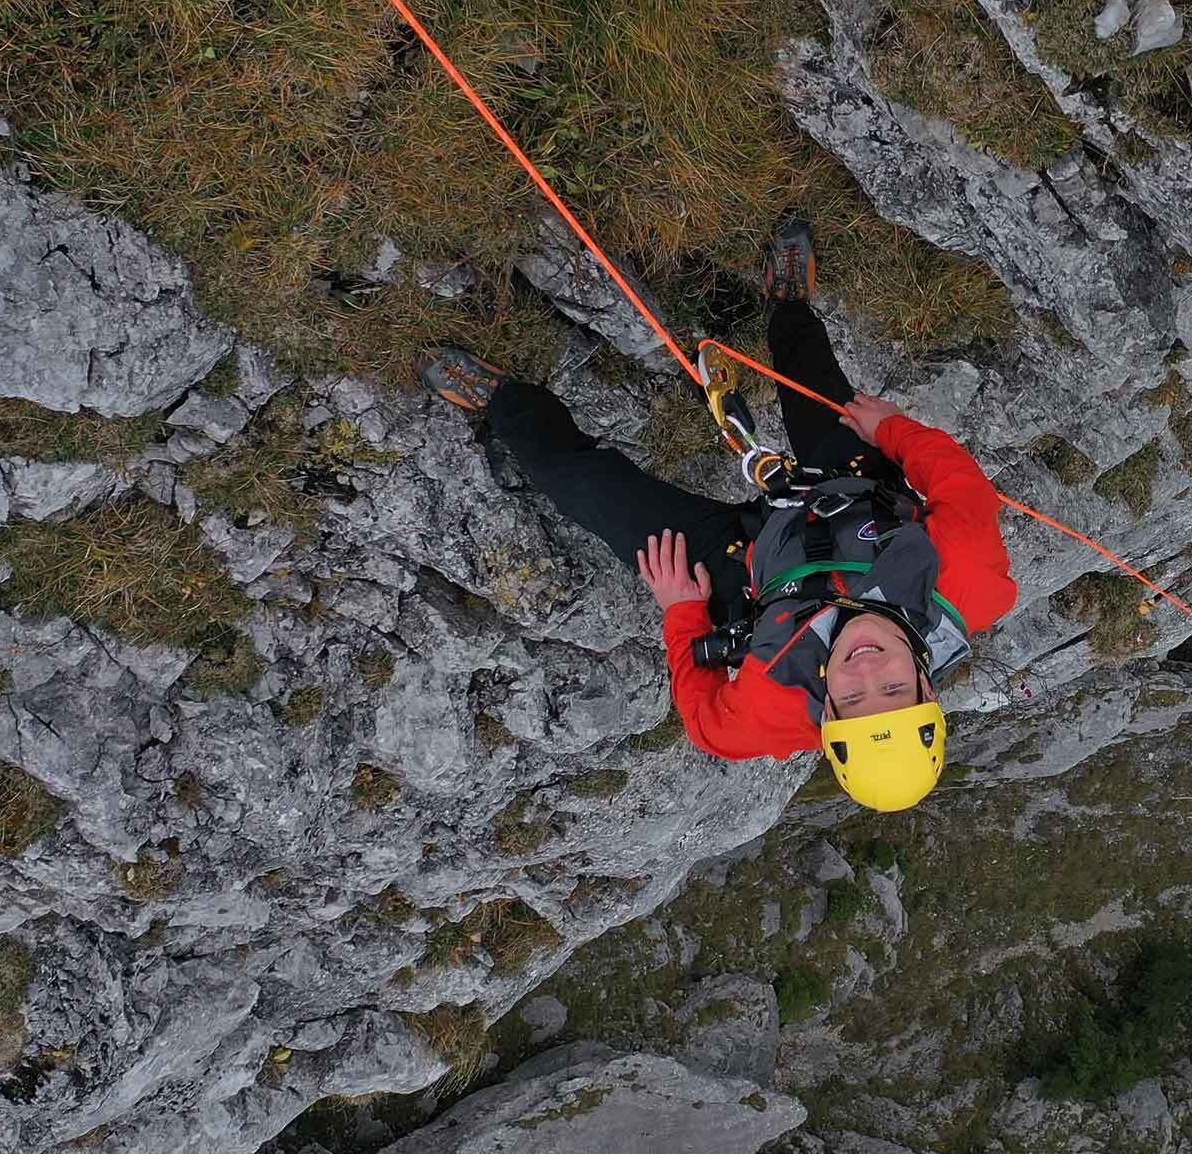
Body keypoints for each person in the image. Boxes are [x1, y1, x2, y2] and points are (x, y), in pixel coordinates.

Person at [421, 217, 1018, 811]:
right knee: (811, 383)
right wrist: (890, 428)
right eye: (892, 689)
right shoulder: (969, 581)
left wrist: (682, 613)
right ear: (925, 685)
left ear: (827, 714)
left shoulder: (769, 714)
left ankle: (501, 402)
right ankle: (788, 305)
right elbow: (958, 482)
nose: (866, 671)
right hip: (849, 496)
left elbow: (704, 720)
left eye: (854, 699)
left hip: (749, 571)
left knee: (581, 486)